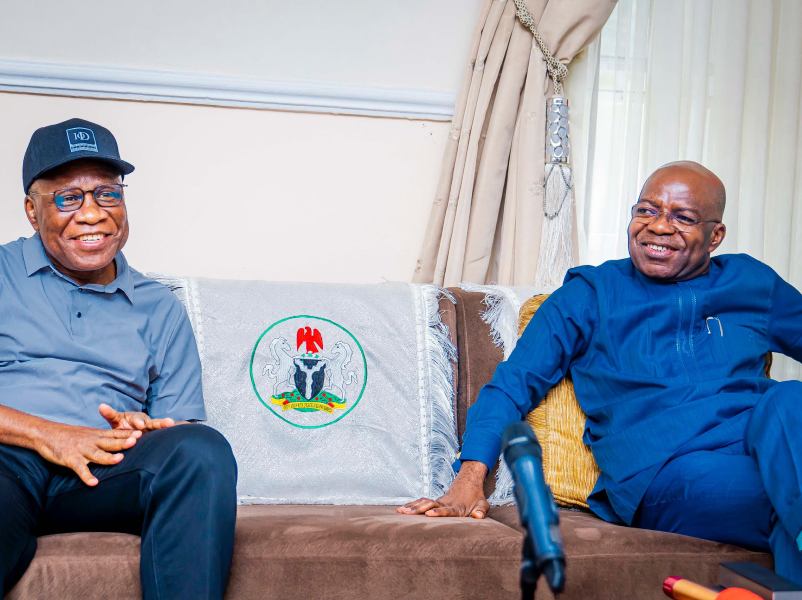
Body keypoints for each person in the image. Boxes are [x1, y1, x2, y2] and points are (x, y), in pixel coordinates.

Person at [398, 161, 802, 582]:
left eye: (682, 218)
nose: (659, 227)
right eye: (646, 210)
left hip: (766, 450)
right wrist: (469, 477)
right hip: (668, 471)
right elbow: (511, 385)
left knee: (791, 398)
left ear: (715, 235)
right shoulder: (588, 295)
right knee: (783, 497)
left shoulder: (752, 283)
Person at [0, 118, 238, 598]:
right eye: (68, 197)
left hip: (103, 469)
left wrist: (145, 426)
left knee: (201, 450)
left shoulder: (159, 306)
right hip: (8, 461)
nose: (92, 214)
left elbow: (178, 425)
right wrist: (53, 435)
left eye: (107, 194)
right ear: (31, 210)